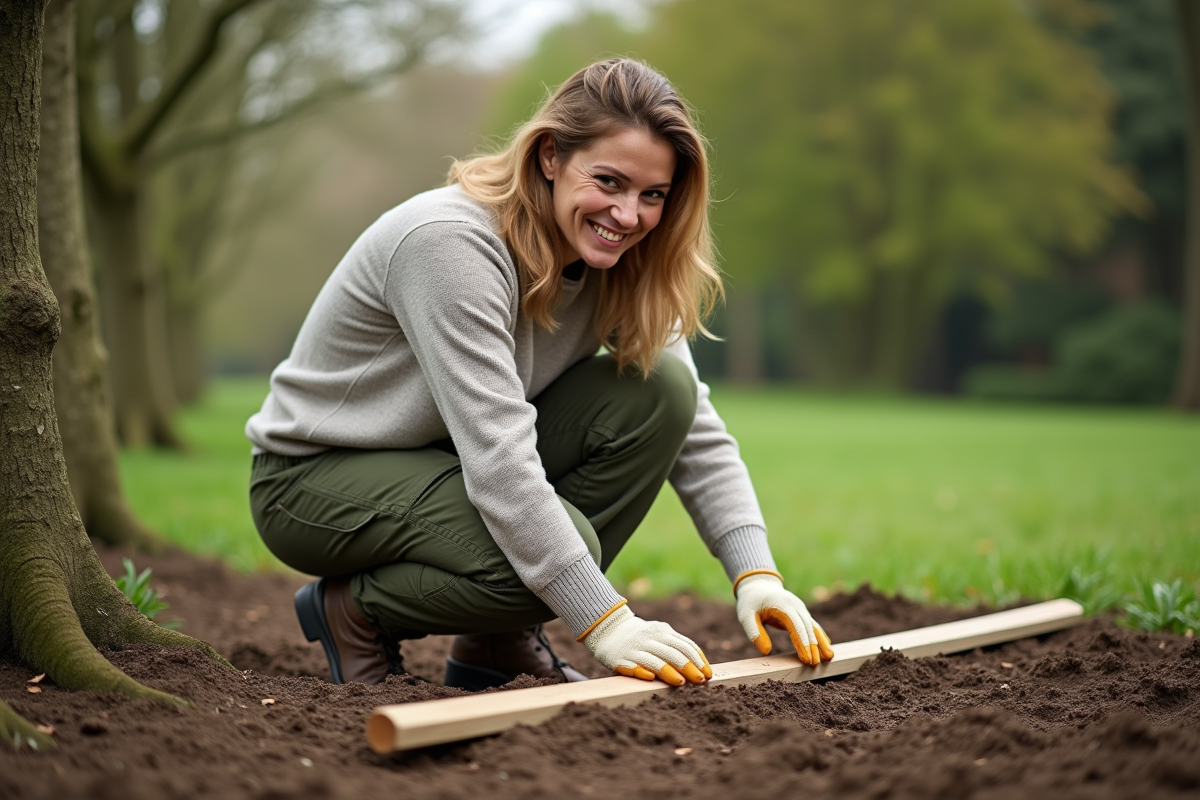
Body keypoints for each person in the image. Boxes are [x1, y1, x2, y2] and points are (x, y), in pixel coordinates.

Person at [245, 58, 835, 690]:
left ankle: (497, 642)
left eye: (653, 195)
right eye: (608, 181)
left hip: (444, 462)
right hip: (313, 479)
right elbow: (498, 459)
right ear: (551, 156)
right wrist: (604, 621)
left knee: (662, 391)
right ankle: (353, 612)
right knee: (558, 553)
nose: (628, 215)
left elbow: (696, 429)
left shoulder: (624, 260)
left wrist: (757, 577)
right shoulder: (451, 244)